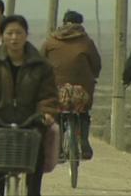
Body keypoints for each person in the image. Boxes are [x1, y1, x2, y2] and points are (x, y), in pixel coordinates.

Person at [0, 15, 58, 196]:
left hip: (31, 123)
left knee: (35, 167)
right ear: (3, 35)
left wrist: (46, 112)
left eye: (19, 33)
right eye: (9, 33)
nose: (14, 37)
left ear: (26, 35)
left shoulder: (42, 66)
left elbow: (48, 95)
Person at [41, 10, 101, 160]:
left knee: (56, 114)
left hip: (58, 89)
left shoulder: (50, 41)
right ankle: (84, 142)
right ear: (80, 24)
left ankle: (59, 147)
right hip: (82, 91)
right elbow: (96, 64)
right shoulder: (87, 42)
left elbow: (40, 63)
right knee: (84, 112)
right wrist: (92, 76)